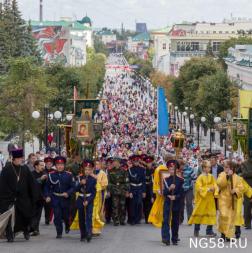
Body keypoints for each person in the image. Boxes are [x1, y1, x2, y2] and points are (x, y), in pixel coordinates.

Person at [0, 148, 36, 242]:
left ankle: (25, 230)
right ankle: (9, 234)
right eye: (19, 158)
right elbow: (2, 185)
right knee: (10, 217)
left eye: (22, 158)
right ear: (14, 159)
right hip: (9, 198)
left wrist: (33, 194)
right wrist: (9, 195)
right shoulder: (6, 169)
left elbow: (31, 183)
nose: (21, 160)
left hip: (23, 198)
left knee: (25, 215)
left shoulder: (25, 169)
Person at [44, 156, 75, 239]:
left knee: (66, 216)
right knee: (57, 216)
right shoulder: (51, 175)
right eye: (58, 164)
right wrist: (47, 196)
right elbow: (47, 187)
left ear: (64, 165)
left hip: (66, 199)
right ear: (55, 165)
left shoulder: (69, 175)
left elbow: (73, 187)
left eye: (61, 164)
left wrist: (68, 193)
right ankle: (59, 232)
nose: (60, 166)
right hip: (55, 198)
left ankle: (67, 225)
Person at [188, 160, 218, 237]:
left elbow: (215, 184)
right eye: (208, 167)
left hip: (210, 199)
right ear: (204, 168)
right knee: (199, 214)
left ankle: (209, 230)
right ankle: (196, 230)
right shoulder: (200, 177)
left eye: (210, 167)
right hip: (202, 199)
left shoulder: (211, 176)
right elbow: (198, 187)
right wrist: (207, 189)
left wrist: (214, 188)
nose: (209, 169)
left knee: (211, 214)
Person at [217, 160, 243, 240]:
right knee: (223, 216)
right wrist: (227, 176)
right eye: (224, 167)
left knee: (231, 219)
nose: (225, 168)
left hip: (232, 201)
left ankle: (229, 235)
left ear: (232, 168)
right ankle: (223, 233)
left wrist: (235, 191)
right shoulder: (222, 175)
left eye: (227, 167)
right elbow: (220, 183)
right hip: (223, 200)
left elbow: (241, 188)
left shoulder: (237, 178)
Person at [161, 161, 184, 246]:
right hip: (167, 202)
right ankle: (166, 238)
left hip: (176, 202)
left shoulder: (181, 180)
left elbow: (182, 193)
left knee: (175, 221)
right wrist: (170, 188)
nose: (171, 171)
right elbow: (164, 193)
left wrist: (175, 197)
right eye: (170, 169)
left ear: (177, 170)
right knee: (166, 220)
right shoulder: (165, 180)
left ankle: (174, 238)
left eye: (173, 169)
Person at [76, 160, 96, 242]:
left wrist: (88, 200)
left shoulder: (93, 179)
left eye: (89, 169)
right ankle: (82, 234)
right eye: (86, 169)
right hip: (80, 198)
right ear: (83, 170)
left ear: (92, 170)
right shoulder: (79, 177)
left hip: (89, 199)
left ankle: (89, 233)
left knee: (88, 216)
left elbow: (94, 193)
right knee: (81, 217)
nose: (87, 171)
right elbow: (75, 189)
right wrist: (80, 183)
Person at [107, 158, 130, 226]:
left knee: (122, 206)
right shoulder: (110, 171)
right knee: (115, 206)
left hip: (122, 190)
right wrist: (110, 190)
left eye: (116, 162)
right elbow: (109, 182)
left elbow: (127, 182)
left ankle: (122, 220)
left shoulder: (124, 171)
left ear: (119, 163)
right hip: (114, 191)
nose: (114, 163)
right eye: (114, 162)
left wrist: (127, 191)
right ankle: (116, 220)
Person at [31, 160, 48, 236]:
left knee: (39, 214)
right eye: (41, 165)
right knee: (33, 213)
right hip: (33, 197)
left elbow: (46, 187)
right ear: (36, 166)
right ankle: (33, 228)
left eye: (43, 165)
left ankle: (36, 229)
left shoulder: (44, 174)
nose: (43, 166)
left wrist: (46, 196)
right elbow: (31, 185)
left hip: (41, 197)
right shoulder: (31, 174)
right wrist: (40, 179)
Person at [128, 155, 146, 225]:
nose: (136, 162)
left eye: (137, 161)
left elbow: (144, 181)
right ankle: (132, 219)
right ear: (132, 161)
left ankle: (138, 219)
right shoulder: (130, 170)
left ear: (139, 161)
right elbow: (128, 181)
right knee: (132, 204)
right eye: (134, 161)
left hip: (140, 188)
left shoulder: (142, 169)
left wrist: (144, 191)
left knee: (139, 203)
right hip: (132, 188)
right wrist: (129, 191)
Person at [92, 159, 108, 235]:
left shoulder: (103, 173)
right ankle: (90, 227)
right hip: (91, 194)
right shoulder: (90, 172)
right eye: (95, 164)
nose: (96, 166)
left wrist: (97, 180)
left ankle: (96, 229)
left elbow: (104, 185)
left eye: (98, 164)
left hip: (99, 195)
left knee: (97, 211)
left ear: (100, 165)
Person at [143, 155, 155, 224]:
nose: (149, 164)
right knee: (146, 204)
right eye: (147, 162)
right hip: (146, 188)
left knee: (152, 204)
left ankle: (152, 218)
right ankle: (146, 218)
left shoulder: (154, 170)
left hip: (152, 188)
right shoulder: (144, 170)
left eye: (150, 162)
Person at [241, 159, 252, 229]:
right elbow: (244, 174)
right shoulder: (244, 163)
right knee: (247, 206)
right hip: (247, 187)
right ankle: (247, 224)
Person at [43, 156, 54, 225]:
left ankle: (50, 218)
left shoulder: (54, 171)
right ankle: (47, 218)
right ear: (45, 164)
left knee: (51, 206)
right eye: (47, 163)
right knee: (46, 205)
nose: (49, 164)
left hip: (52, 190)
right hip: (45, 189)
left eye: (50, 163)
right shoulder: (43, 171)